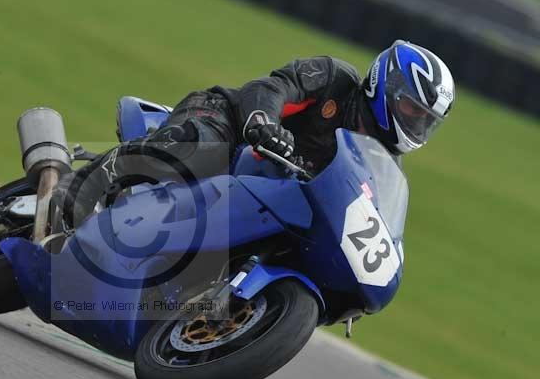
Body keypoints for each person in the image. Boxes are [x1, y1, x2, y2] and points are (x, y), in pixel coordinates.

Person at [53, 40, 455, 227]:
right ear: (386, 84)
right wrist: (263, 122)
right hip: (228, 125)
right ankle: (79, 187)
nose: (415, 122)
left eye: (425, 119)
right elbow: (274, 88)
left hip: (262, 197)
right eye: (410, 108)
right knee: (201, 151)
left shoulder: (383, 163)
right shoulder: (335, 80)